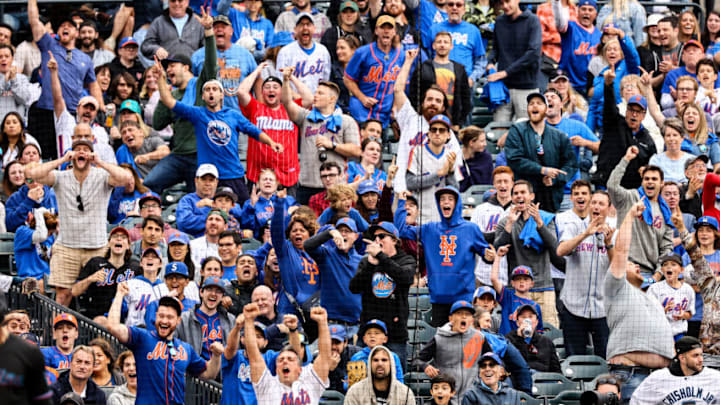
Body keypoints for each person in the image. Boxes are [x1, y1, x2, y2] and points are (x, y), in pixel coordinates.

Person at [154, 59, 283, 203]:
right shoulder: (198, 114)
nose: (211, 92)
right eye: (207, 90)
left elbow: (254, 131)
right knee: (210, 213)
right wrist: (161, 79)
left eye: (215, 89)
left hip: (233, 174)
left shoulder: (233, 115)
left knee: (244, 213)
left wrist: (271, 142)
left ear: (222, 95)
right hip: (210, 178)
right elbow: (168, 101)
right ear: (203, 96)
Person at [26, 139, 132, 306]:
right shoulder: (60, 177)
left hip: (97, 247)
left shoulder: (103, 176)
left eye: (86, 149)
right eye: (78, 150)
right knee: (62, 296)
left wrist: (100, 162)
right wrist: (62, 160)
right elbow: (33, 175)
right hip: (67, 246)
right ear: (72, 154)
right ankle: (55, 331)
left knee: (101, 295)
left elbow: (126, 178)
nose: (81, 152)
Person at [107, 284, 223, 405]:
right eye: (161, 316)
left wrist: (216, 356)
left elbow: (209, 373)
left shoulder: (185, 348)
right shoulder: (143, 338)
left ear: (178, 320)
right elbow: (113, 327)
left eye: (169, 317)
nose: (164, 321)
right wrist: (119, 294)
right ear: (156, 316)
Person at [605, 198, 674, 402]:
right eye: (630, 263)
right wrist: (629, 216)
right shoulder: (616, 288)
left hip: (660, 377)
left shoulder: (650, 295)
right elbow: (621, 251)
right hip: (629, 374)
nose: (636, 265)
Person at [395, 187, 492, 326]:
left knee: (463, 341)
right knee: (441, 342)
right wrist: (401, 203)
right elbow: (401, 230)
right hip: (438, 298)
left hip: (462, 297)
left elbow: (486, 254)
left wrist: (490, 256)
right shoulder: (429, 229)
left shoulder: (471, 229)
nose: (446, 202)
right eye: (442, 199)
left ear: (457, 203)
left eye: (450, 199)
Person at [27, 0, 103, 160]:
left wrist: (101, 106)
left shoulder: (85, 59)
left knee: (68, 156)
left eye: (70, 26)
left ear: (77, 33)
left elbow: (93, 83)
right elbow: (34, 21)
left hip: (71, 114)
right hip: (46, 111)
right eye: (62, 26)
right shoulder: (49, 45)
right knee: (46, 157)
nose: (65, 28)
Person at [144, 35, 217, 194]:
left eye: (172, 65)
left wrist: (209, 33)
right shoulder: (172, 94)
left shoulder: (201, 86)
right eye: (166, 67)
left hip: (199, 155)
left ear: (185, 67)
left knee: (197, 198)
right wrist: (163, 89)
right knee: (149, 183)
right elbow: (157, 123)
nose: (168, 69)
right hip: (178, 156)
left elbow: (211, 64)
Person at [281, 68, 360, 204]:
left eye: (320, 93)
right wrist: (286, 81)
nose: (315, 96)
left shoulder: (346, 120)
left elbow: (356, 150)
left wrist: (332, 145)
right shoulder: (306, 117)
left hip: (336, 186)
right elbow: (287, 103)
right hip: (307, 185)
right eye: (316, 92)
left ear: (332, 99)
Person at [392, 49, 462, 194]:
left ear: (443, 107)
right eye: (429, 99)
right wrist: (408, 62)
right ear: (422, 103)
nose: (433, 103)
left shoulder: (449, 136)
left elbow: (453, 173)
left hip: (435, 195)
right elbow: (398, 90)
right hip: (404, 189)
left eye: (438, 101)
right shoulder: (410, 119)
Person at [494, 180, 562, 327]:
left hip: (543, 288)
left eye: (523, 193)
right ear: (512, 198)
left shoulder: (545, 219)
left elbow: (555, 247)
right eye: (516, 193)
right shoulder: (506, 221)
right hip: (517, 290)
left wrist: (539, 224)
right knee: (517, 335)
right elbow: (498, 248)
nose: (519, 196)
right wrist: (510, 224)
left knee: (549, 333)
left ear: (531, 196)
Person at [556, 188, 614, 357]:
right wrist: (585, 234)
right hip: (574, 304)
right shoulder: (575, 226)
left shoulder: (615, 231)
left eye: (601, 203)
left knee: (605, 358)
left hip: (603, 308)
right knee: (575, 358)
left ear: (609, 208)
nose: (596, 206)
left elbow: (617, 267)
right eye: (593, 202)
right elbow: (560, 251)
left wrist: (609, 243)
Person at [349, 222, 414, 366]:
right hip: (369, 332)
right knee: (361, 375)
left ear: (395, 240)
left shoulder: (406, 260)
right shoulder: (368, 261)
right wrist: (371, 264)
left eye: (382, 236)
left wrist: (381, 257)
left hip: (394, 334)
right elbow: (354, 287)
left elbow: (405, 277)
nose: (377, 240)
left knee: (396, 379)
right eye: (375, 237)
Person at [244, 303, 331, 404]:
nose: (285, 361)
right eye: (280, 360)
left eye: (290, 359)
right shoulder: (267, 385)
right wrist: (249, 321)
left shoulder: (310, 382)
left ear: (300, 369)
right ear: (276, 369)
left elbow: (325, 355)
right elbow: (253, 355)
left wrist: (323, 323)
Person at [504, 92, 577, 213]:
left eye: (539, 103)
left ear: (546, 109)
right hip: (524, 198)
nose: (534, 106)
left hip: (551, 198)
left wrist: (554, 179)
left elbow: (571, 165)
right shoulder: (517, 130)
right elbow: (514, 159)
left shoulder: (559, 136)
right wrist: (542, 170)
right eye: (531, 104)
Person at [607, 147, 674, 280]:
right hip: (625, 268)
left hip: (650, 274)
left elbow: (667, 248)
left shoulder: (666, 212)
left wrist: (657, 275)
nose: (649, 182)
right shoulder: (630, 198)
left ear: (662, 184)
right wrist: (626, 160)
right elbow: (612, 186)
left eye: (654, 179)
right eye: (646, 178)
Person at [237, 64, 301, 190]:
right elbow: (241, 92)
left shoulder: (291, 109)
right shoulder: (255, 108)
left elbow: (309, 98)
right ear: (262, 92)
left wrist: (290, 78)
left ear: (282, 91)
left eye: (275, 87)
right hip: (258, 175)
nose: (271, 90)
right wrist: (256, 71)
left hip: (287, 176)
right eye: (267, 87)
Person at [414, 301, 492, 401]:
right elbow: (416, 361)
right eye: (459, 314)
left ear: (472, 320)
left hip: (472, 397)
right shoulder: (439, 338)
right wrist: (425, 366)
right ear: (451, 318)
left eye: (467, 314)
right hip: (447, 397)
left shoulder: (479, 338)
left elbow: (491, 360)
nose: (463, 317)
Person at [595, 75, 656, 189]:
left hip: (630, 191)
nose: (634, 114)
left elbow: (651, 166)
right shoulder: (614, 123)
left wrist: (645, 169)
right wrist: (608, 85)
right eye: (631, 110)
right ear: (626, 110)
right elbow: (609, 106)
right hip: (605, 185)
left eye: (638, 112)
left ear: (643, 115)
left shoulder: (648, 141)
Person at [344, 15, 404, 128]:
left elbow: (400, 85)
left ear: (394, 32)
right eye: (382, 28)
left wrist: (395, 106)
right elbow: (348, 79)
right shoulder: (362, 52)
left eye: (390, 28)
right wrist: (362, 98)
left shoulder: (401, 55)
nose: (386, 31)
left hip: (385, 114)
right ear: (376, 30)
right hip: (361, 111)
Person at [486, 0, 541, 121]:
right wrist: (490, 63)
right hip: (503, 88)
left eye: (508, 1)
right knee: (498, 131)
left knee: (526, 133)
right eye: (501, 3)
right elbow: (495, 49)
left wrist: (506, 72)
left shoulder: (532, 20)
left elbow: (533, 53)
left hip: (526, 87)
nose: (505, 6)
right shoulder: (499, 22)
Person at [73, 227, 139, 325]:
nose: (119, 239)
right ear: (109, 243)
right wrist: (90, 279)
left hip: (127, 317)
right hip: (99, 317)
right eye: (115, 236)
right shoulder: (96, 263)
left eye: (123, 237)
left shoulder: (135, 266)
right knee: (102, 322)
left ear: (128, 245)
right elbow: (74, 291)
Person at [305, 217, 362, 328]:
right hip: (331, 322)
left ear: (355, 236)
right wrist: (329, 232)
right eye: (340, 231)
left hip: (355, 323)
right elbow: (308, 245)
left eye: (347, 231)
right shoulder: (326, 254)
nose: (343, 234)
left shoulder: (362, 260)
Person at [191, 15, 257, 112]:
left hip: (239, 116)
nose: (219, 30)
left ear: (231, 31)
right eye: (215, 27)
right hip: (208, 116)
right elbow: (192, 85)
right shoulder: (197, 56)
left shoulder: (245, 54)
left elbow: (257, 80)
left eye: (223, 27)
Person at [630, 336, 720, 404]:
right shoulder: (658, 378)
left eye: (701, 355)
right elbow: (636, 401)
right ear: (682, 358)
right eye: (695, 356)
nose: (701, 360)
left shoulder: (715, 377)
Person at [410, 32, 472, 131]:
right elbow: (413, 94)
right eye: (439, 42)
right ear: (434, 46)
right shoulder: (423, 67)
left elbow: (466, 98)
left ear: (451, 46)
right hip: (427, 120)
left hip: (452, 121)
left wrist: (458, 122)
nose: (442, 45)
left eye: (446, 42)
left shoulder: (459, 69)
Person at [406, 114, 459, 224]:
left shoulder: (451, 154)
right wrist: (439, 174)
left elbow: (455, 190)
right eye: (434, 130)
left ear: (448, 135)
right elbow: (410, 183)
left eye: (442, 130)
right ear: (428, 134)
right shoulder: (416, 151)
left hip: (442, 219)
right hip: (421, 218)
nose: (437, 133)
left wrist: (450, 173)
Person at [0, 302, 51, 405]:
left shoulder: (32, 353)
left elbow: (42, 399)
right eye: (13, 326)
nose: (18, 331)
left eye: (22, 327)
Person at [470, 166, 514, 286]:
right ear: (494, 184)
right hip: (485, 273)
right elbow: (475, 237)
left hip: (513, 274)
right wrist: (504, 233)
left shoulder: (518, 209)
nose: (502, 185)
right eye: (499, 182)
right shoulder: (481, 209)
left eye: (506, 181)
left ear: (512, 183)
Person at [177, 276, 236, 361]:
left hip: (222, 371)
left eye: (218, 291)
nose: (213, 294)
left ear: (222, 296)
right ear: (201, 292)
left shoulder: (230, 320)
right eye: (209, 289)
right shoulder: (184, 319)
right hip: (194, 371)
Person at [429, 2, 486, 85]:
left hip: (464, 83)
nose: (454, 8)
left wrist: (471, 79)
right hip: (438, 83)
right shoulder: (434, 29)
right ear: (446, 8)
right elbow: (427, 56)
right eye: (451, 4)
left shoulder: (473, 31)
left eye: (458, 5)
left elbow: (481, 61)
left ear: (464, 9)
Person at [553, 0, 601, 94]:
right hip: (569, 86)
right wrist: (556, 2)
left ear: (596, 14)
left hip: (590, 86)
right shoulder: (570, 27)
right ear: (577, 11)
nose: (586, 12)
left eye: (590, 10)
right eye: (583, 9)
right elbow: (559, 21)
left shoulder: (599, 34)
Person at [276, 14, 332, 94]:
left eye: (308, 24)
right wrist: (298, 99)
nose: (305, 27)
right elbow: (281, 81)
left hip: (316, 101)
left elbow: (326, 80)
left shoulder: (323, 51)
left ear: (314, 29)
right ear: (295, 29)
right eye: (301, 24)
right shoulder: (285, 52)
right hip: (293, 102)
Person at [646, 253, 695, 341]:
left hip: (679, 334)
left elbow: (690, 314)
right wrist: (663, 310)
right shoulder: (654, 288)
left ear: (681, 269)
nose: (669, 267)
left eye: (673, 264)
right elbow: (648, 314)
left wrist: (682, 315)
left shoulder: (688, 289)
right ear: (662, 270)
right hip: (659, 334)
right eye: (665, 265)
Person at [345, 345, 416, 405]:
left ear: (391, 364)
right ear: (370, 364)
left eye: (384, 360)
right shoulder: (355, 392)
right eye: (375, 360)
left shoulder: (405, 393)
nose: (380, 364)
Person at [140, 0, 205, 61]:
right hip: (167, 70)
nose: (176, 3)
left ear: (187, 2)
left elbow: (207, 48)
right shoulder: (158, 22)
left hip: (193, 70)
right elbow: (146, 45)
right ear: (168, 2)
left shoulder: (198, 22)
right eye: (173, 0)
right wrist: (156, 49)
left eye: (180, 0)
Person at [505, 304, 561, 373]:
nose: (527, 320)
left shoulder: (546, 341)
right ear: (517, 322)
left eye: (530, 317)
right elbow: (515, 363)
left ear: (537, 322)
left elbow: (555, 369)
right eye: (523, 317)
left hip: (543, 379)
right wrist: (520, 339)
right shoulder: (509, 339)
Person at [120, 248, 163, 327]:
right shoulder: (129, 284)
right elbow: (119, 312)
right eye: (146, 256)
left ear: (160, 264)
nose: (150, 258)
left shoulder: (165, 288)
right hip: (133, 332)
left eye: (154, 257)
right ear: (141, 263)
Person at [177, 164, 221, 238]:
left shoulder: (222, 200)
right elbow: (185, 222)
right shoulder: (187, 200)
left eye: (211, 180)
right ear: (196, 180)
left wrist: (215, 205)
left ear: (216, 182)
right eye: (204, 179)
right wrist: (216, 218)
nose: (207, 184)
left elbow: (238, 212)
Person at [0, 44, 39, 124]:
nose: (3, 59)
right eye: (0, 57)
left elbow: (24, 99)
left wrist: (14, 80)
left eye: (7, 56)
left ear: (12, 59)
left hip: (16, 126)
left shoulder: (22, 78)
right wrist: (4, 81)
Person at [649, 118, 696, 183]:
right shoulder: (656, 160)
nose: (671, 138)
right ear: (664, 139)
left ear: (682, 138)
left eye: (675, 135)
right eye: (668, 135)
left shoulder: (692, 160)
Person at [458, 126, 492, 191]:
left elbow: (489, 185)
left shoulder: (486, 158)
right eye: (482, 141)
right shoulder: (456, 158)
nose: (485, 144)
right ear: (471, 142)